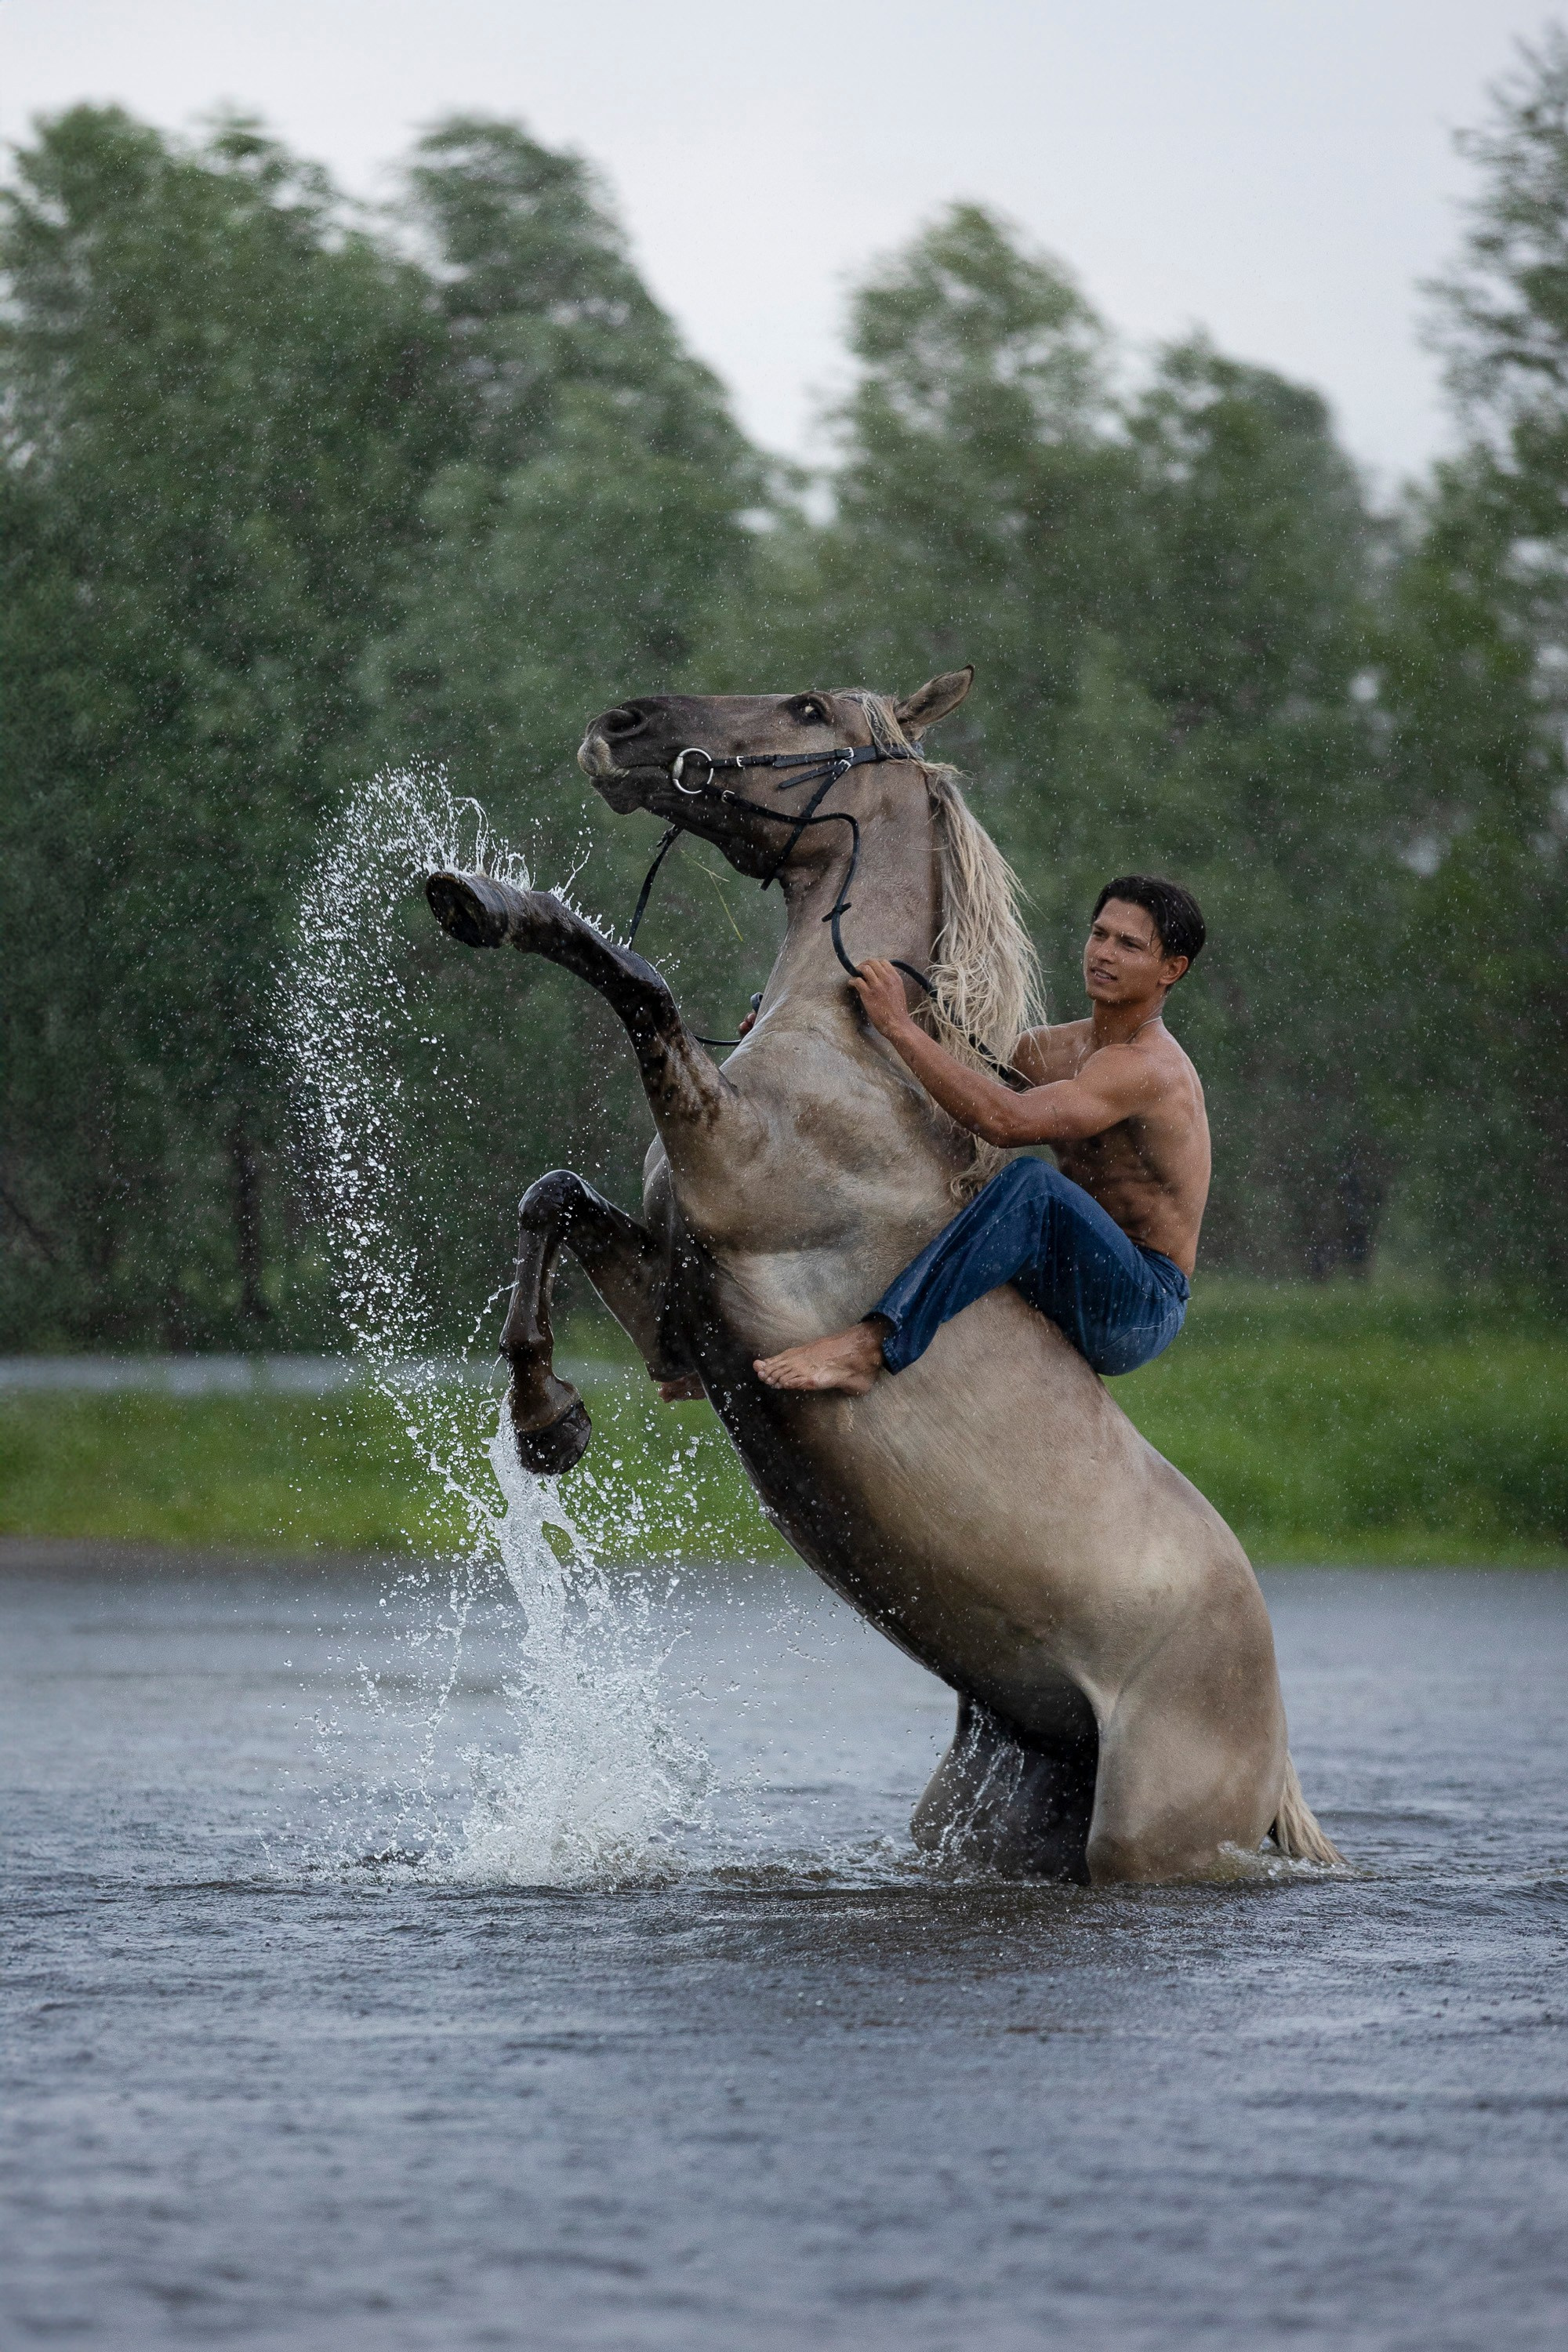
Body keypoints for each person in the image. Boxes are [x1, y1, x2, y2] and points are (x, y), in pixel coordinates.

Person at [752, 876, 1210, 1396]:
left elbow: (1005, 1122)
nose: (1103, 953)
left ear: (1171, 970)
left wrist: (901, 1026)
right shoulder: (1052, 1050)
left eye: (1128, 945)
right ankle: (765, 1337)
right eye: (1099, 934)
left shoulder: (1149, 1069)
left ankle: (871, 1348)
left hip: (1138, 1305)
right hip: (1064, 1270)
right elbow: (943, 1080)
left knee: (1032, 1189)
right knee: (937, 1180)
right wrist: (796, 1033)